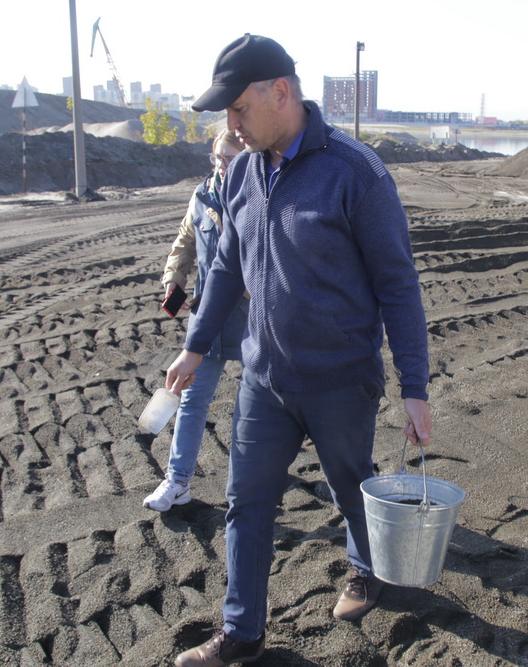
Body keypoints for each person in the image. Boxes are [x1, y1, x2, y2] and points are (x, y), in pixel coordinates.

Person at [167, 34, 433, 667]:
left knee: (350, 485)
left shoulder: (355, 171)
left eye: (238, 110)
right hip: (265, 378)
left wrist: (415, 387)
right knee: (247, 502)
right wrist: (196, 346)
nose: (231, 125)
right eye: (226, 115)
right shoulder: (244, 175)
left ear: (279, 92)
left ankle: (366, 569)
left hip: (341, 379)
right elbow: (226, 270)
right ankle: (242, 636)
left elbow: (398, 284)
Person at [142, 128, 247, 511]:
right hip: (207, 317)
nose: (222, 166)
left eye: (230, 159)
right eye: (218, 157)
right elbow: (185, 242)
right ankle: (178, 481)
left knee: (252, 404)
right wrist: (174, 280)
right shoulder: (202, 196)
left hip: (253, 315)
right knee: (191, 400)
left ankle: (250, 478)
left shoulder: (259, 195)